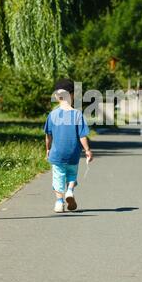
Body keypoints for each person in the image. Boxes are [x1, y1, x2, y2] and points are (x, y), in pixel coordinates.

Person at [44, 78, 93, 213]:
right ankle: (70, 190)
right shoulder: (77, 114)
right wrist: (87, 150)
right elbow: (82, 135)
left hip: (57, 153)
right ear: (72, 95)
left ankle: (59, 202)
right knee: (71, 174)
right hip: (73, 153)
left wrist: (48, 149)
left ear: (56, 96)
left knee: (58, 176)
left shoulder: (52, 115)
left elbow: (48, 136)